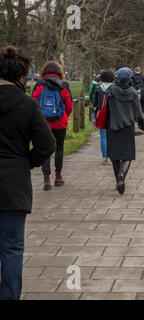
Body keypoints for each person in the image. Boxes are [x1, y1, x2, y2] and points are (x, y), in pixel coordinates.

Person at [0, 45, 56, 300]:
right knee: (11, 248)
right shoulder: (27, 105)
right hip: (13, 186)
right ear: (22, 76)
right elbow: (47, 144)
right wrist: (28, 161)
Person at [32, 61, 73, 191]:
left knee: (45, 149)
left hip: (44, 124)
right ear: (59, 72)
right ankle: (59, 176)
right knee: (59, 148)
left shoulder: (39, 85)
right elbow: (69, 105)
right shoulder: (64, 85)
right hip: (60, 123)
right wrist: (63, 116)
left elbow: (33, 102)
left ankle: (46, 179)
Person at [105, 67, 144, 195]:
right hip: (127, 128)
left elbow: (104, 107)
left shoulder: (110, 91)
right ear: (129, 78)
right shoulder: (133, 93)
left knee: (115, 155)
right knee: (127, 155)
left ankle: (118, 180)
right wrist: (142, 124)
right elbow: (138, 111)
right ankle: (122, 175)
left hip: (113, 127)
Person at [92, 69, 114, 165]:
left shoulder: (98, 89)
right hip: (113, 115)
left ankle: (105, 157)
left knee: (103, 137)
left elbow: (95, 103)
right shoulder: (115, 88)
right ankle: (113, 155)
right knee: (113, 136)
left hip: (101, 114)